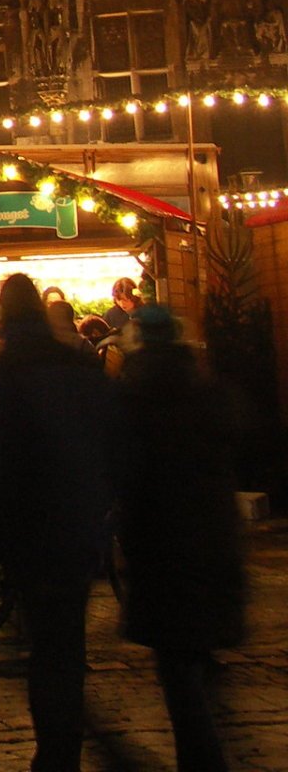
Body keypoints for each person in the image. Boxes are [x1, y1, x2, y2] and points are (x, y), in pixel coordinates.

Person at [0, 273, 121, 772]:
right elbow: (111, 441)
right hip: (79, 525)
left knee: (43, 646)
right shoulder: (79, 367)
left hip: (29, 532)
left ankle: (57, 751)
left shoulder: (5, 376)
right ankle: (69, 743)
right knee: (66, 641)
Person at [116, 304, 246, 772]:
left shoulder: (134, 393)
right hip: (212, 535)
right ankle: (209, 753)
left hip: (162, 542)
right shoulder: (207, 387)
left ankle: (203, 760)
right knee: (199, 656)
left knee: (177, 666)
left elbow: (127, 471)